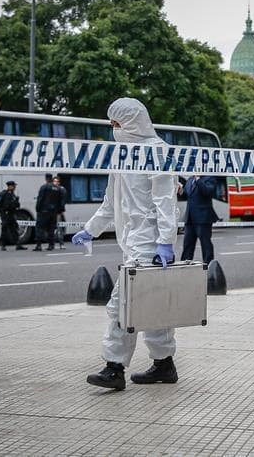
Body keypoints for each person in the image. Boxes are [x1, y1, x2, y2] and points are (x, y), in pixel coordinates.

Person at [72, 97, 179, 391]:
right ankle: (164, 364)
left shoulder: (157, 152)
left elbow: (165, 202)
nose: (114, 129)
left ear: (132, 123)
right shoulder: (121, 154)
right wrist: (89, 230)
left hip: (151, 244)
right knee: (153, 303)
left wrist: (165, 242)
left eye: (117, 124)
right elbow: (110, 203)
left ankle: (114, 367)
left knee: (124, 304)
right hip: (133, 241)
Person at [179, 176, 219, 264]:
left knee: (205, 244)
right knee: (187, 244)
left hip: (203, 217)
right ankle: (184, 265)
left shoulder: (210, 178)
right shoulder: (190, 179)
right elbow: (187, 195)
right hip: (190, 218)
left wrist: (198, 180)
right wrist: (181, 190)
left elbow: (207, 192)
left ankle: (208, 265)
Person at [34, 173, 62, 251]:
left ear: (46, 178)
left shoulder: (44, 187)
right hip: (53, 212)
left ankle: (39, 245)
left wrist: (37, 208)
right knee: (51, 229)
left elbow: (40, 199)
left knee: (40, 228)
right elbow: (60, 201)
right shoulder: (57, 188)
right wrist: (58, 210)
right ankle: (51, 245)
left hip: (44, 211)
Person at [0, 180, 26, 251]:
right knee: (5, 230)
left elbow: (16, 205)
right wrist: (2, 213)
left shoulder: (13, 195)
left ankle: (18, 245)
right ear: (10, 186)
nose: (15, 187)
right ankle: (3, 246)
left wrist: (17, 201)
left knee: (14, 229)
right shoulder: (3, 193)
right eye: (14, 186)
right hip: (6, 215)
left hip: (11, 214)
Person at [52, 176, 68, 249]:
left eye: (57, 181)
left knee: (59, 228)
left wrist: (60, 210)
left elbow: (63, 201)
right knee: (53, 228)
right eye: (55, 181)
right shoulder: (51, 189)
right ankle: (53, 243)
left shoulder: (61, 190)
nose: (56, 183)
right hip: (52, 212)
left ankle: (61, 243)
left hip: (58, 212)